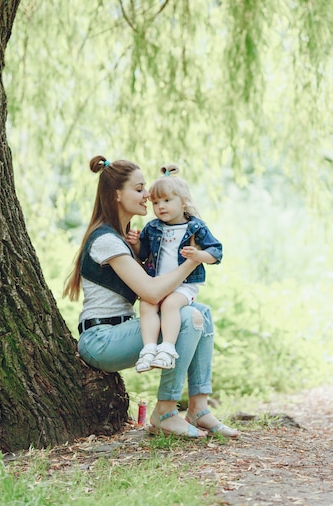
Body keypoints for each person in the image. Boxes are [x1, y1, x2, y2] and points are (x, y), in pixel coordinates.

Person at [63, 155, 239, 439]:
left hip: (121, 330)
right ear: (116, 195)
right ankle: (166, 412)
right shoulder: (106, 240)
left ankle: (199, 408)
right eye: (139, 188)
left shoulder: (129, 238)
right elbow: (152, 291)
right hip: (102, 340)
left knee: (201, 312)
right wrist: (192, 262)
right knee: (186, 316)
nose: (148, 195)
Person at [127, 164, 223, 375]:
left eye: (167, 201)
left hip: (184, 286)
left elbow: (216, 252)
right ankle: (149, 349)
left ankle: (167, 349)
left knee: (170, 304)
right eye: (156, 202)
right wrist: (135, 244)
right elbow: (143, 254)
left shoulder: (195, 227)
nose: (161, 207)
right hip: (158, 283)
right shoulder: (153, 227)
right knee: (146, 304)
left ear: (184, 202)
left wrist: (199, 256)